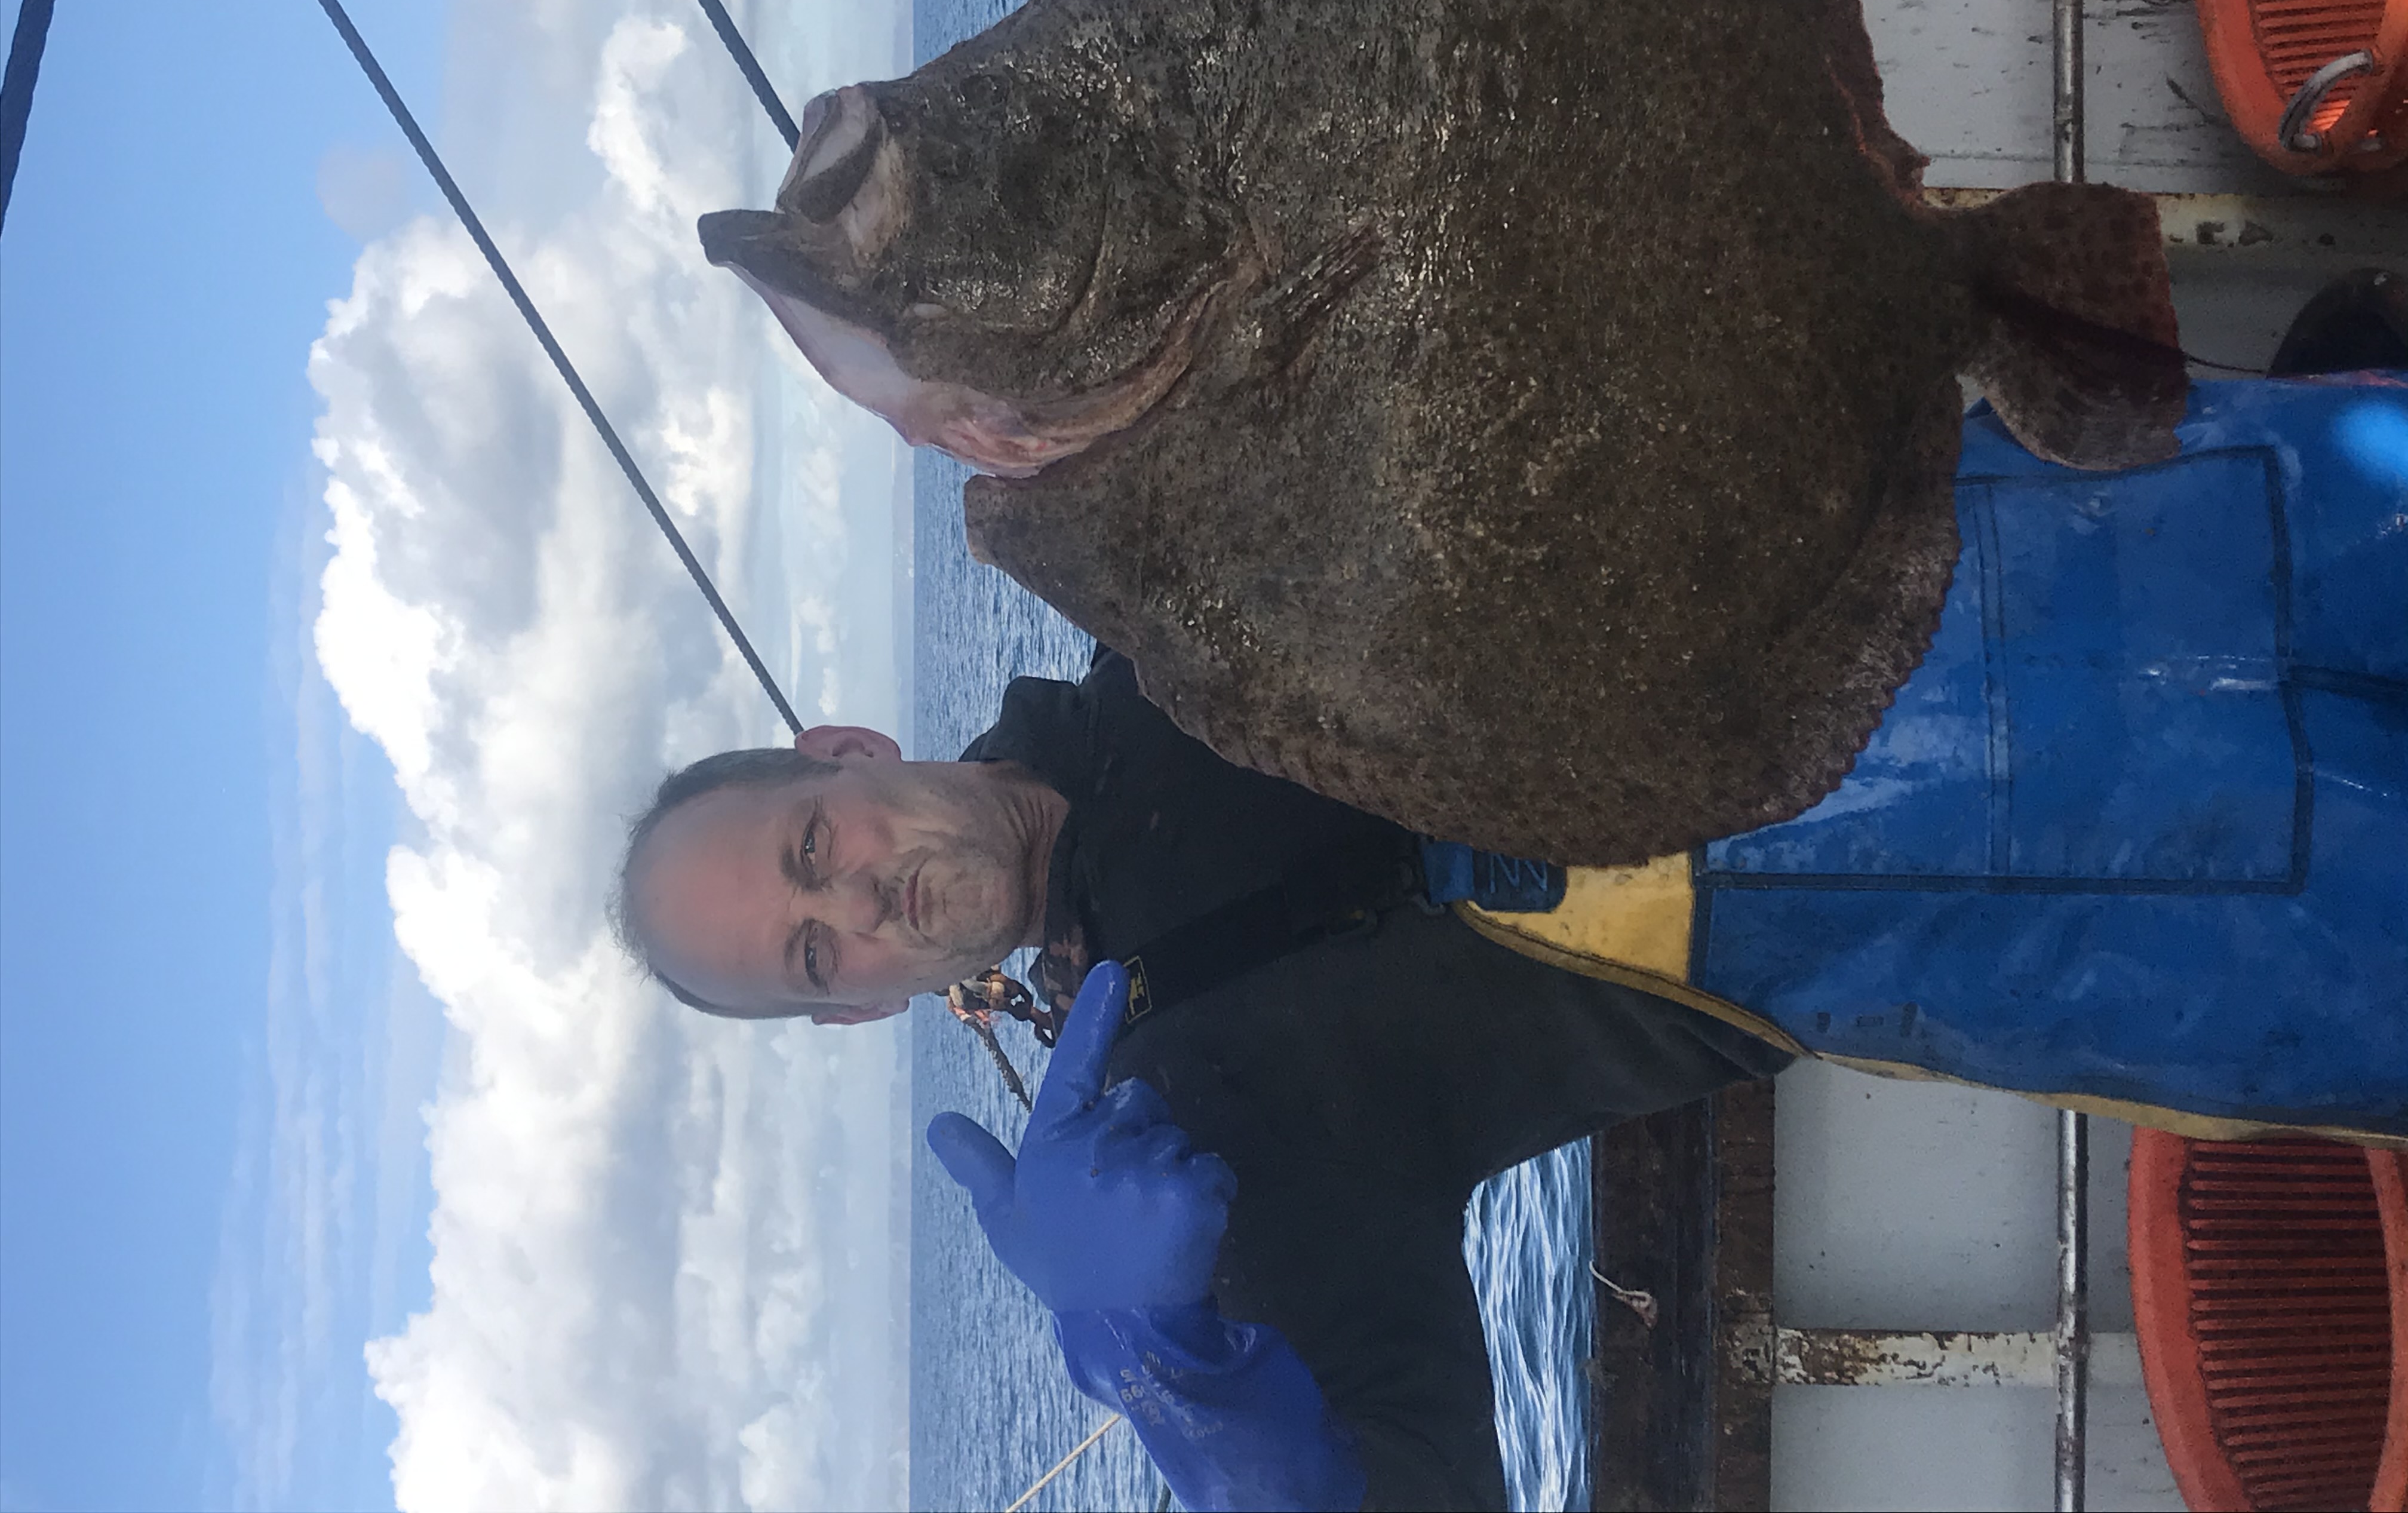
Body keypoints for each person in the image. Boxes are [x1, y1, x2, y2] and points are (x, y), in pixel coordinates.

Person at [612, 372, 2407, 1512]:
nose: (857, 905)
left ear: (846, 753)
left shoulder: (1169, 576)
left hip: (2075, 513)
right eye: (811, 956)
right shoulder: (1195, 1114)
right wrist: (1195, 1394)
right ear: (856, 1020)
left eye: (812, 846)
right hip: (2144, 919)